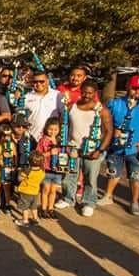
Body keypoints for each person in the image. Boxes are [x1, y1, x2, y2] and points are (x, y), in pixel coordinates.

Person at [97, 75, 139, 215]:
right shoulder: (115, 103)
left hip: (135, 147)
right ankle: (108, 196)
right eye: (134, 88)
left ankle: (135, 201)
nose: (137, 92)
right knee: (113, 171)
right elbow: (104, 120)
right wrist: (111, 130)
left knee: (136, 176)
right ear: (128, 87)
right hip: (116, 146)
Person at [56, 80, 112, 217]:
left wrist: (100, 150)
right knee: (69, 175)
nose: (86, 95)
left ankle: (88, 202)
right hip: (73, 147)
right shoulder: (71, 106)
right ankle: (68, 198)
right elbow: (63, 124)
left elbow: (109, 131)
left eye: (90, 93)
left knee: (90, 178)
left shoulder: (102, 110)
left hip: (92, 150)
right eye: (84, 92)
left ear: (95, 93)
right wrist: (63, 142)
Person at [22, 71, 64, 141]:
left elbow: (63, 116)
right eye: (35, 82)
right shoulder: (26, 97)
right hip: (32, 138)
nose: (38, 84)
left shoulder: (58, 95)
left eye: (42, 81)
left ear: (47, 81)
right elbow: (22, 118)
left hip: (51, 139)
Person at [36, 117, 64, 220]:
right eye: (50, 129)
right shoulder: (42, 140)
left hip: (57, 170)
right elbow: (38, 155)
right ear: (46, 128)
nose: (53, 132)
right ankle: (43, 208)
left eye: (55, 129)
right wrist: (49, 153)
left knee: (53, 190)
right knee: (45, 189)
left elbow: (62, 153)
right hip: (46, 169)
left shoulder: (60, 140)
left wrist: (55, 143)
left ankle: (50, 208)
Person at [15, 150, 46, 227]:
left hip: (25, 191)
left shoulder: (27, 171)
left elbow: (19, 179)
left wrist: (20, 172)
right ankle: (35, 219)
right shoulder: (42, 171)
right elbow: (41, 180)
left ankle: (25, 220)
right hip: (35, 192)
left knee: (25, 207)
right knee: (34, 207)